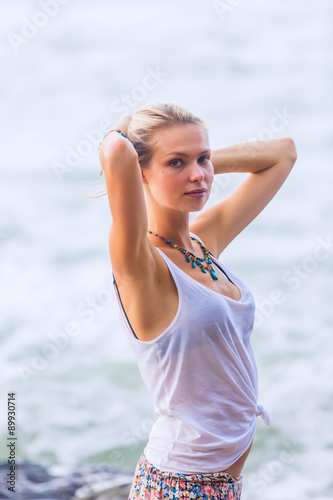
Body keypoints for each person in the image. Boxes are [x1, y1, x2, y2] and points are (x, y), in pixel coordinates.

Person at [97, 102, 297, 499]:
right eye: (176, 163)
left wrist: (191, 167)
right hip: (177, 486)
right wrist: (132, 143)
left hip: (221, 485)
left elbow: (283, 153)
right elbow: (118, 151)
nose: (198, 174)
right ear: (141, 173)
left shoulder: (202, 243)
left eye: (202, 157)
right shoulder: (142, 266)